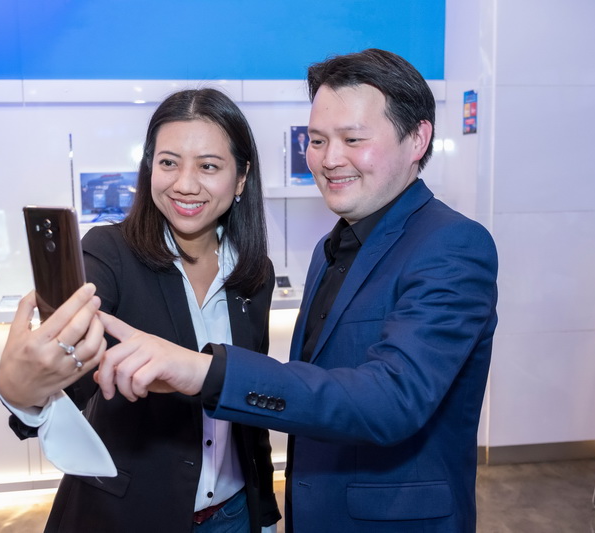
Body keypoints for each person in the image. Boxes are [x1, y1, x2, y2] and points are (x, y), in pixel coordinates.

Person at [94, 48, 499, 532]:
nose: (329, 159)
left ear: (417, 139)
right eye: (317, 140)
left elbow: (392, 398)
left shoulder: (452, 245)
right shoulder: (332, 249)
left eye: (353, 139)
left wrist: (205, 370)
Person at [0, 88, 281, 532]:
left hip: (233, 513)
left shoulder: (255, 273)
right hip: (128, 516)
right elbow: (74, 376)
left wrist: (263, 515)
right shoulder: (109, 253)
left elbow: (247, 398)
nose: (184, 184)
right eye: (168, 163)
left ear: (241, 178)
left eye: (208, 166)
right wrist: (24, 392)